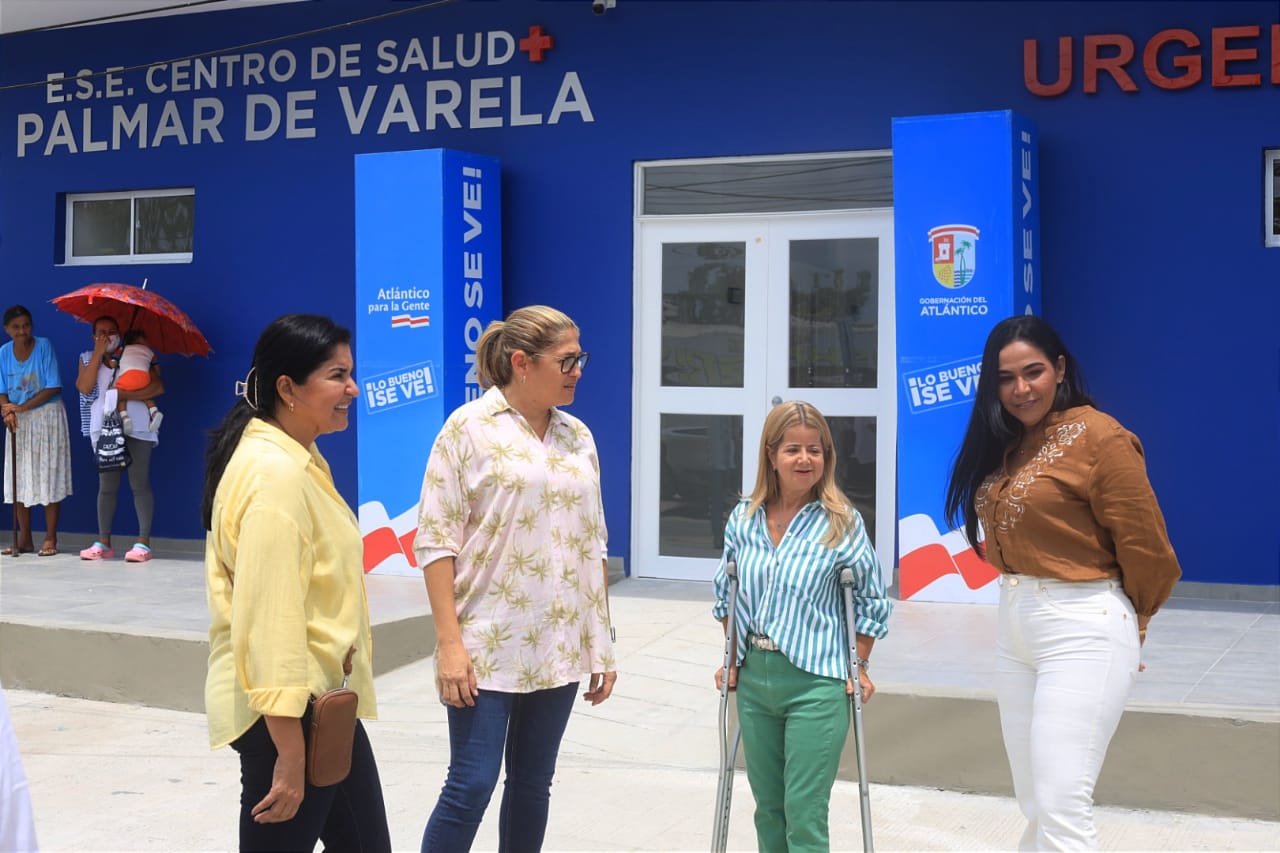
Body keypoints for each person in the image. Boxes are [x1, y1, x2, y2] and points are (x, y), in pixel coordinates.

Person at [944, 315, 1181, 851]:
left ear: (1059, 369)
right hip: (1015, 625)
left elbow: (1148, 549)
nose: (1021, 389)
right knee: (1035, 801)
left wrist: (1133, 624)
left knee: (1061, 802)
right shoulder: (1009, 444)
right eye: (1005, 378)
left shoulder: (1101, 436)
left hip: (1083, 622)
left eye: (1033, 372)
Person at [414, 305, 616, 852]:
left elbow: (592, 544)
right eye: (567, 360)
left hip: (559, 645)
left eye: (581, 359)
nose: (578, 371)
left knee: (532, 786)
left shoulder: (579, 437)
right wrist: (449, 645)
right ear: (522, 362)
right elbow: (436, 542)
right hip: (486, 645)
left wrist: (601, 643)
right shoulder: (467, 429)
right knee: (470, 785)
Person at [201, 313, 390, 852]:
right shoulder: (275, 476)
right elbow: (269, 623)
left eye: (351, 373)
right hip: (287, 716)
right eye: (337, 375)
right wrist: (289, 755)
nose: (353, 389)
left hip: (324, 705)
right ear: (287, 387)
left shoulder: (298, 455)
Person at [712, 400, 891, 853]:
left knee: (804, 813)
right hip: (756, 678)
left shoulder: (841, 521)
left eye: (816, 450)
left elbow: (870, 599)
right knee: (768, 809)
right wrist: (731, 660)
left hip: (818, 682)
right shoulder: (744, 518)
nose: (805, 459)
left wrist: (861, 663)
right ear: (771, 454)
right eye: (793, 449)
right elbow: (728, 595)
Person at [74, 316, 163, 562]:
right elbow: (84, 387)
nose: (107, 336)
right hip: (104, 428)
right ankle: (103, 542)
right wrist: (98, 354)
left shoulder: (135, 354)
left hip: (138, 426)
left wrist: (123, 393)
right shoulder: (85, 358)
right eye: (101, 332)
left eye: (112, 331)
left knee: (139, 483)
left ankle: (143, 543)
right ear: (93, 336)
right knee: (107, 487)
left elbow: (157, 387)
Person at [0, 304, 73, 557]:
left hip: (46, 417)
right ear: (7, 329)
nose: (23, 331)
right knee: (19, 478)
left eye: (26, 325)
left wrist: (20, 407)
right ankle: (25, 539)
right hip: (19, 421)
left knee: (47, 475)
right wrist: (7, 410)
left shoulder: (44, 346)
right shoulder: (3, 353)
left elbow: (53, 386)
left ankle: (50, 537)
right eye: (16, 327)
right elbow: (2, 390)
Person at [112, 330, 163, 435]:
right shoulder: (150, 351)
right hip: (144, 378)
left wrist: (116, 362)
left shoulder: (122, 349)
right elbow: (157, 370)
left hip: (127, 378)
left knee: (120, 395)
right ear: (140, 340)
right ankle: (154, 412)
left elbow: (113, 363)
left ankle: (124, 416)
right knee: (146, 395)